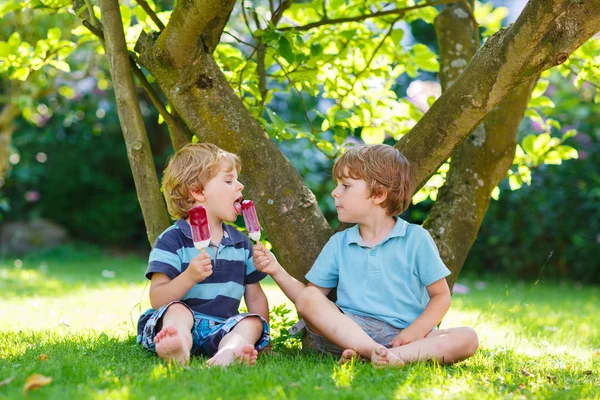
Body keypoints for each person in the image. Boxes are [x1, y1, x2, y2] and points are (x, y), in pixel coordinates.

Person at [254, 144, 478, 367]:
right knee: (309, 297)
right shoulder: (340, 243)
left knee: (467, 338)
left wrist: (415, 332)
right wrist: (276, 269)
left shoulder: (416, 239)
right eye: (337, 185)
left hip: (405, 337)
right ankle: (373, 352)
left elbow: (441, 296)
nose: (335, 192)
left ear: (379, 194)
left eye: (345, 186)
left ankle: (392, 357)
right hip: (348, 333)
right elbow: (309, 299)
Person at [137, 143, 270, 367]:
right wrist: (189, 276)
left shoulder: (241, 243)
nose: (240, 186)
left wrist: (263, 341)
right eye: (229, 181)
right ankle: (178, 344)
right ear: (198, 192)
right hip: (176, 322)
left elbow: (255, 296)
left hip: (222, 328)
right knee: (177, 310)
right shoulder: (172, 240)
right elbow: (158, 299)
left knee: (251, 322)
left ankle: (228, 353)